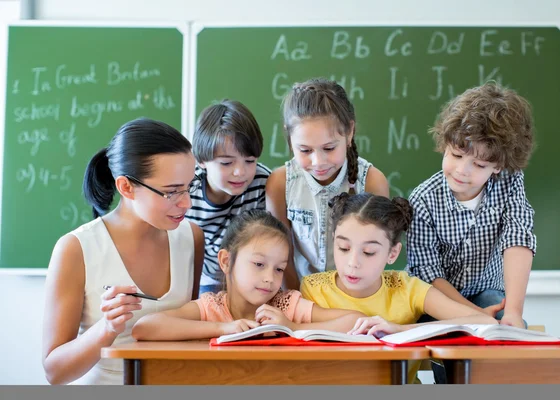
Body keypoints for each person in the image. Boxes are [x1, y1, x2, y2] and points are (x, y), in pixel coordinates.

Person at [42, 118, 204, 385]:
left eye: (190, 186)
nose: (186, 202)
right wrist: (107, 328)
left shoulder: (192, 237)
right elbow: (55, 372)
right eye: (171, 192)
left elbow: (189, 333)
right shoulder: (75, 249)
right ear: (126, 187)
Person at [301, 193, 496, 384]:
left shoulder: (407, 288)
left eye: (369, 252)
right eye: (343, 248)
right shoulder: (313, 289)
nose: (353, 263)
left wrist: (402, 330)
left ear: (392, 253)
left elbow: (486, 322)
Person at [406, 82, 536, 329]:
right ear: (445, 145)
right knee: (442, 327)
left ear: (498, 166)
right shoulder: (423, 200)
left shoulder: (509, 183)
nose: (462, 171)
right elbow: (428, 275)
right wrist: (476, 314)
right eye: (456, 155)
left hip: (487, 291)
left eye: (478, 165)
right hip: (437, 298)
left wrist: (513, 313)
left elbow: (518, 237)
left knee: (503, 322)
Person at [133, 209, 364, 341]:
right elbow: (144, 327)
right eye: (258, 264)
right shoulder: (211, 309)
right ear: (226, 261)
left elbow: (355, 320)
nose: (270, 278)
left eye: (279, 269)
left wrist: (291, 327)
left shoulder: (285, 306)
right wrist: (223, 329)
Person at [266, 78, 388, 290]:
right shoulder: (279, 184)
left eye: (329, 148)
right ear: (289, 137)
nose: (318, 162)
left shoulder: (371, 182)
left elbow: (375, 257)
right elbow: (280, 254)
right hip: (300, 295)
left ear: (349, 132)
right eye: (305, 150)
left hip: (356, 294)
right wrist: (298, 301)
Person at [186, 100, 270, 294]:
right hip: (200, 278)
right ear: (201, 161)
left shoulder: (263, 182)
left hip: (247, 279)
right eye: (226, 163)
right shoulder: (188, 188)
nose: (240, 172)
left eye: (250, 161)